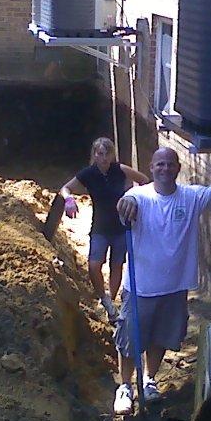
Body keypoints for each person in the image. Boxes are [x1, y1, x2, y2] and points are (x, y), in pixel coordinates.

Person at [111, 147, 211, 415]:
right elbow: (125, 203)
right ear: (151, 167)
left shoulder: (191, 197)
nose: (165, 169)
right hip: (141, 287)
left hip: (175, 287)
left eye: (170, 164)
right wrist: (126, 205)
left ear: (178, 168)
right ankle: (124, 387)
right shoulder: (139, 196)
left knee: (161, 337)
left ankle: (149, 379)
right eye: (160, 165)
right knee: (131, 340)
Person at [60, 138, 148, 322]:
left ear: (112, 154)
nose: (104, 158)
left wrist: (135, 199)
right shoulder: (89, 174)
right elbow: (66, 188)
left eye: (107, 153)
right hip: (99, 226)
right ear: (94, 155)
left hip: (121, 226)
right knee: (94, 265)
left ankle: (111, 304)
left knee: (116, 265)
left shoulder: (120, 170)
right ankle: (104, 298)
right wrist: (69, 199)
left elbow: (144, 180)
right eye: (100, 154)